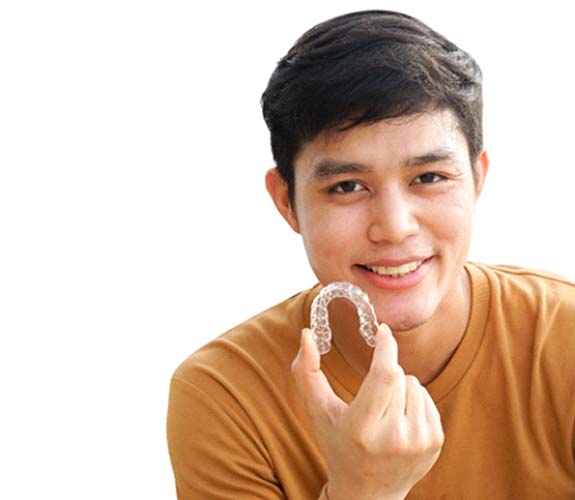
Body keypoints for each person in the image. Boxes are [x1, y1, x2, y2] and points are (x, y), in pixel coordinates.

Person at [167, 10, 575, 499]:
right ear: (286, 202)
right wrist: (362, 490)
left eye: (429, 178)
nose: (394, 226)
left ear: (477, 179)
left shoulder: (564, 343)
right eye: (347, 186)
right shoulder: (225, 395)